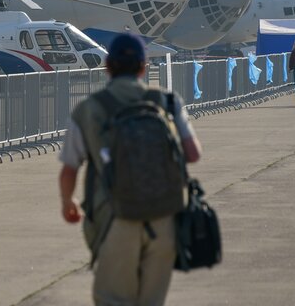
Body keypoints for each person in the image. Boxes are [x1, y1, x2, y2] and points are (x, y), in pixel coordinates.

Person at [58, 33, 202, 306]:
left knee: (114, 300)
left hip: (116, 218)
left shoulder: (89, 109)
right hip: (164, 218)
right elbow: (193, 154)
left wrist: (68, 202)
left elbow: (69, 169)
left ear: (107, 66)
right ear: (143, 66)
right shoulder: (168, 102)